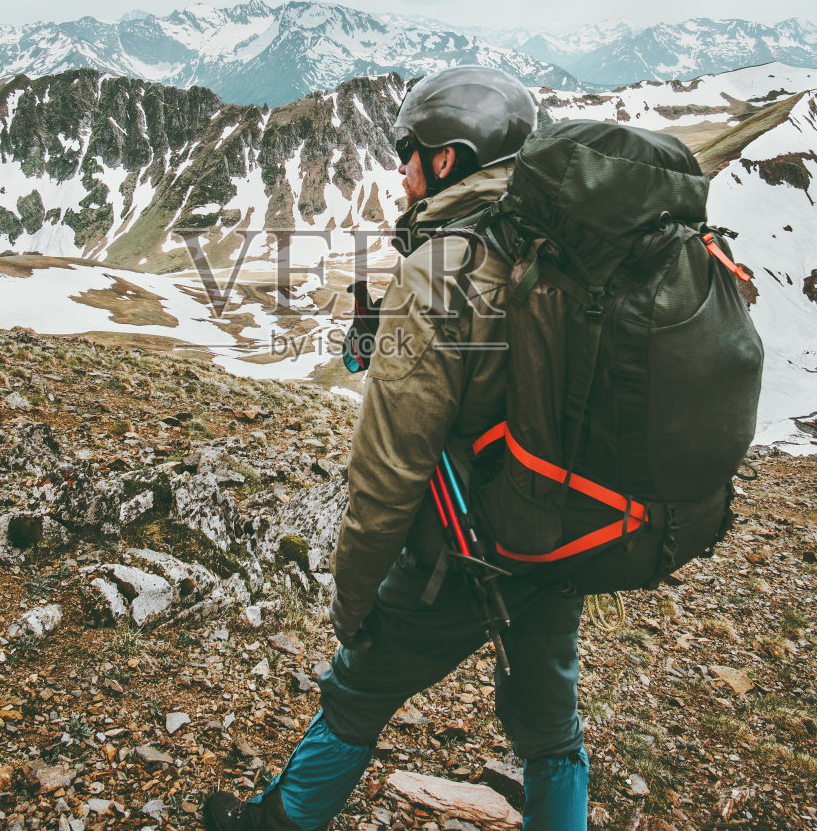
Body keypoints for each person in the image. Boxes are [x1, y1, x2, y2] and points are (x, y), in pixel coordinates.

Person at [205, 67, 591, 831]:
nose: (400, 167)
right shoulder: (555, 244)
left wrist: (353, 601)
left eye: (408, 149)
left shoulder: (440, 270)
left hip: (464, 553)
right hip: (561, 534)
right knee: (551, 723)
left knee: (358, 688)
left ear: (449, 158)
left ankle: (275, 824)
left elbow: (387, 473)